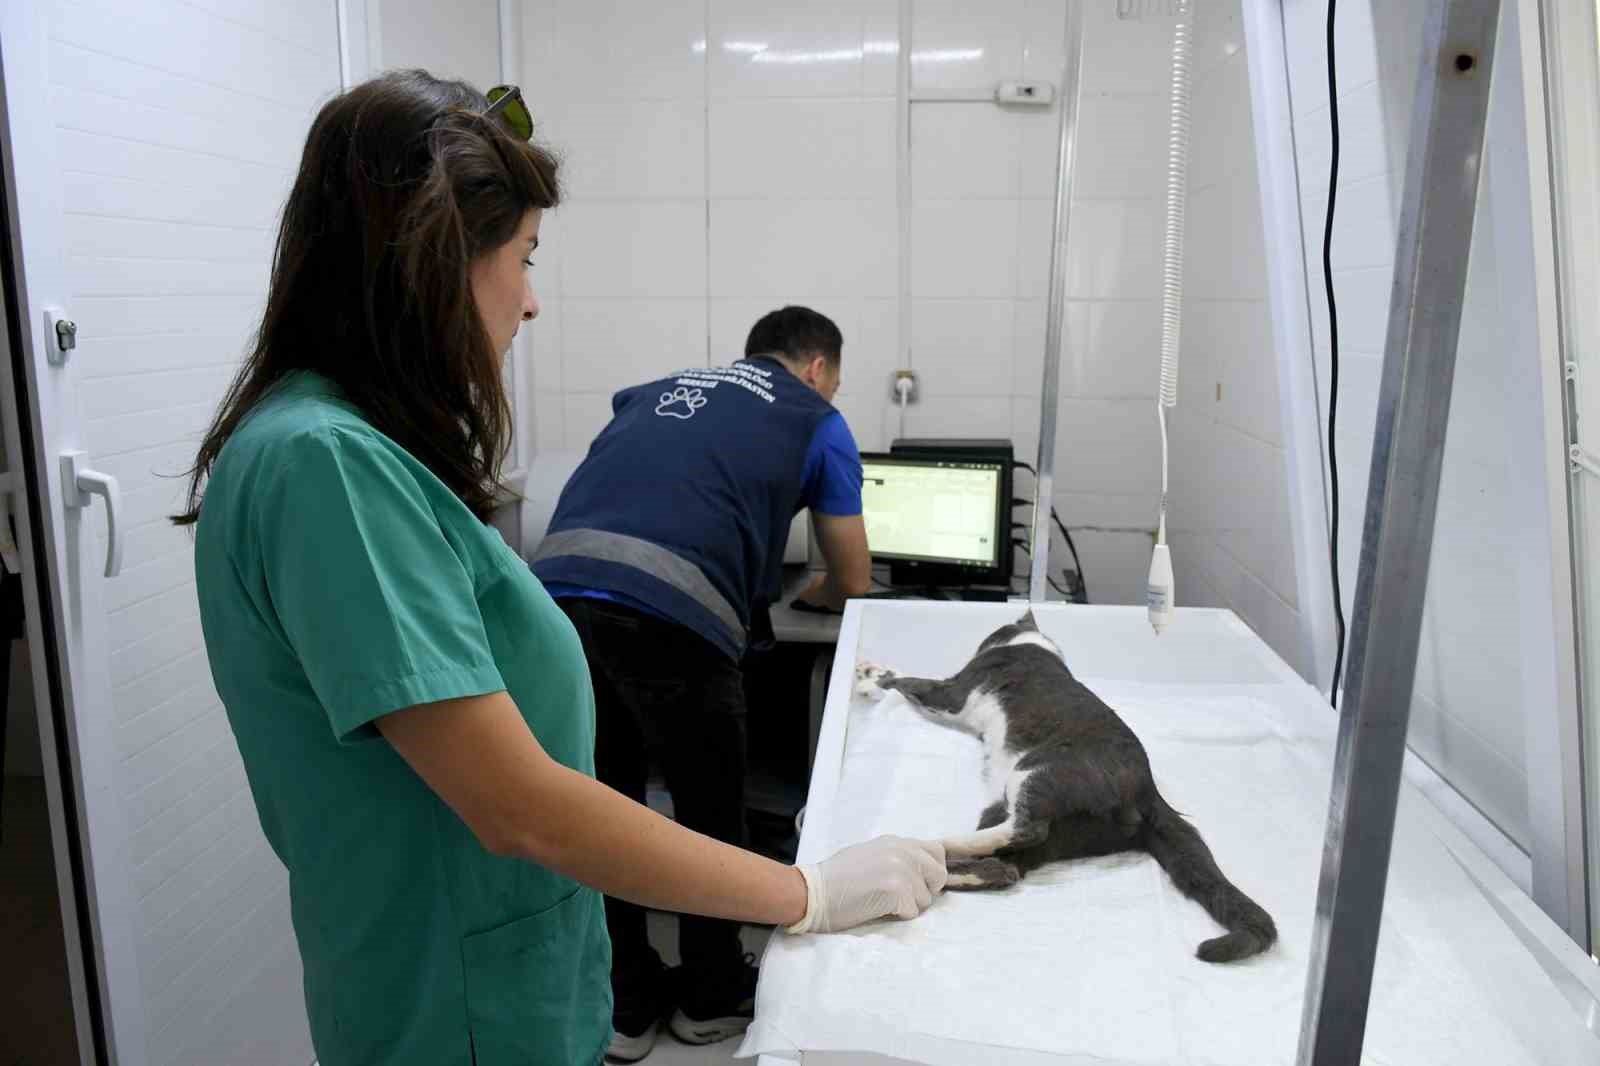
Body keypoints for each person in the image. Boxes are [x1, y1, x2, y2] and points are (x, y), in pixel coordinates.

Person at [178, 70, 945, 1066]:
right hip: (455, 1016)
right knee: (707, 783)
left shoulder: (364, 452)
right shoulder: (327, 467)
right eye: (524, 257)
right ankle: (711, 992)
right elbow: (520, 805)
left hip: (518, 982)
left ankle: (644, 1001)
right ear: (435, 257)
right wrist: (810, 892)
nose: (532, 302)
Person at [530, 307, 872, 1059]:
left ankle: (623, 1003)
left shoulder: (652, 390)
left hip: (549, 598)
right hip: (671, 612)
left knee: (602, 806)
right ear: (818, 368)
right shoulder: (815, 417)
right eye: (837, 382)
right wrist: (808, 594)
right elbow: (853, 578)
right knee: (711, 809)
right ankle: (712, 995)